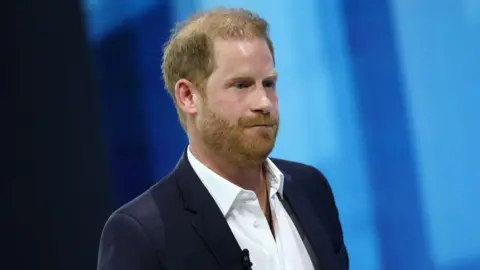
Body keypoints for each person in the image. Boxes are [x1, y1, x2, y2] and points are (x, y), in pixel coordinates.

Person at [97, 7, 348, 270]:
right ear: (188, 96)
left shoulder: (311, 189)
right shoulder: (140, 234)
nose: (264, 103)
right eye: (242, 85)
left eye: (269, 84)